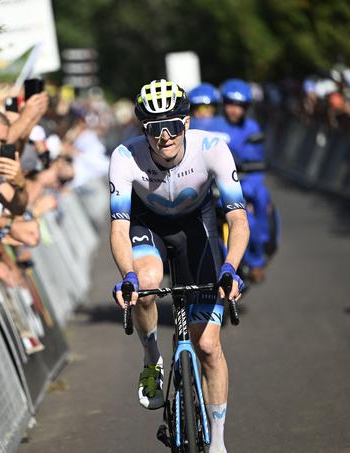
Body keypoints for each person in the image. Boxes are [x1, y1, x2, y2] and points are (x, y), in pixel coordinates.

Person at [109, 79, 249, 453]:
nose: (165, 136)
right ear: (145, 130)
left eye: (173, 125)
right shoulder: (125, 157)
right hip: (147, 225)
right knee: (147, 286)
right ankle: (152, 357)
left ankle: (218, 442)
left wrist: (231, 268)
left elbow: (237, 219)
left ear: (186, 123)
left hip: (197, 226)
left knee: (207, 347)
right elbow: (119, 229)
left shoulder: (212, 148)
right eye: (156, 128)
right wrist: (129, 277)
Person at [211, 79, 271, 282]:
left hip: (242, 183)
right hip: (214, 185)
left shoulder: (252, 128)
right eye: (230, 104)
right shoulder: (212, 125)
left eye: (240, 106)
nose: (234, 110)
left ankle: (256, 260)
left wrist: (248, 195)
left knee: (258, 206)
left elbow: (256, 165)